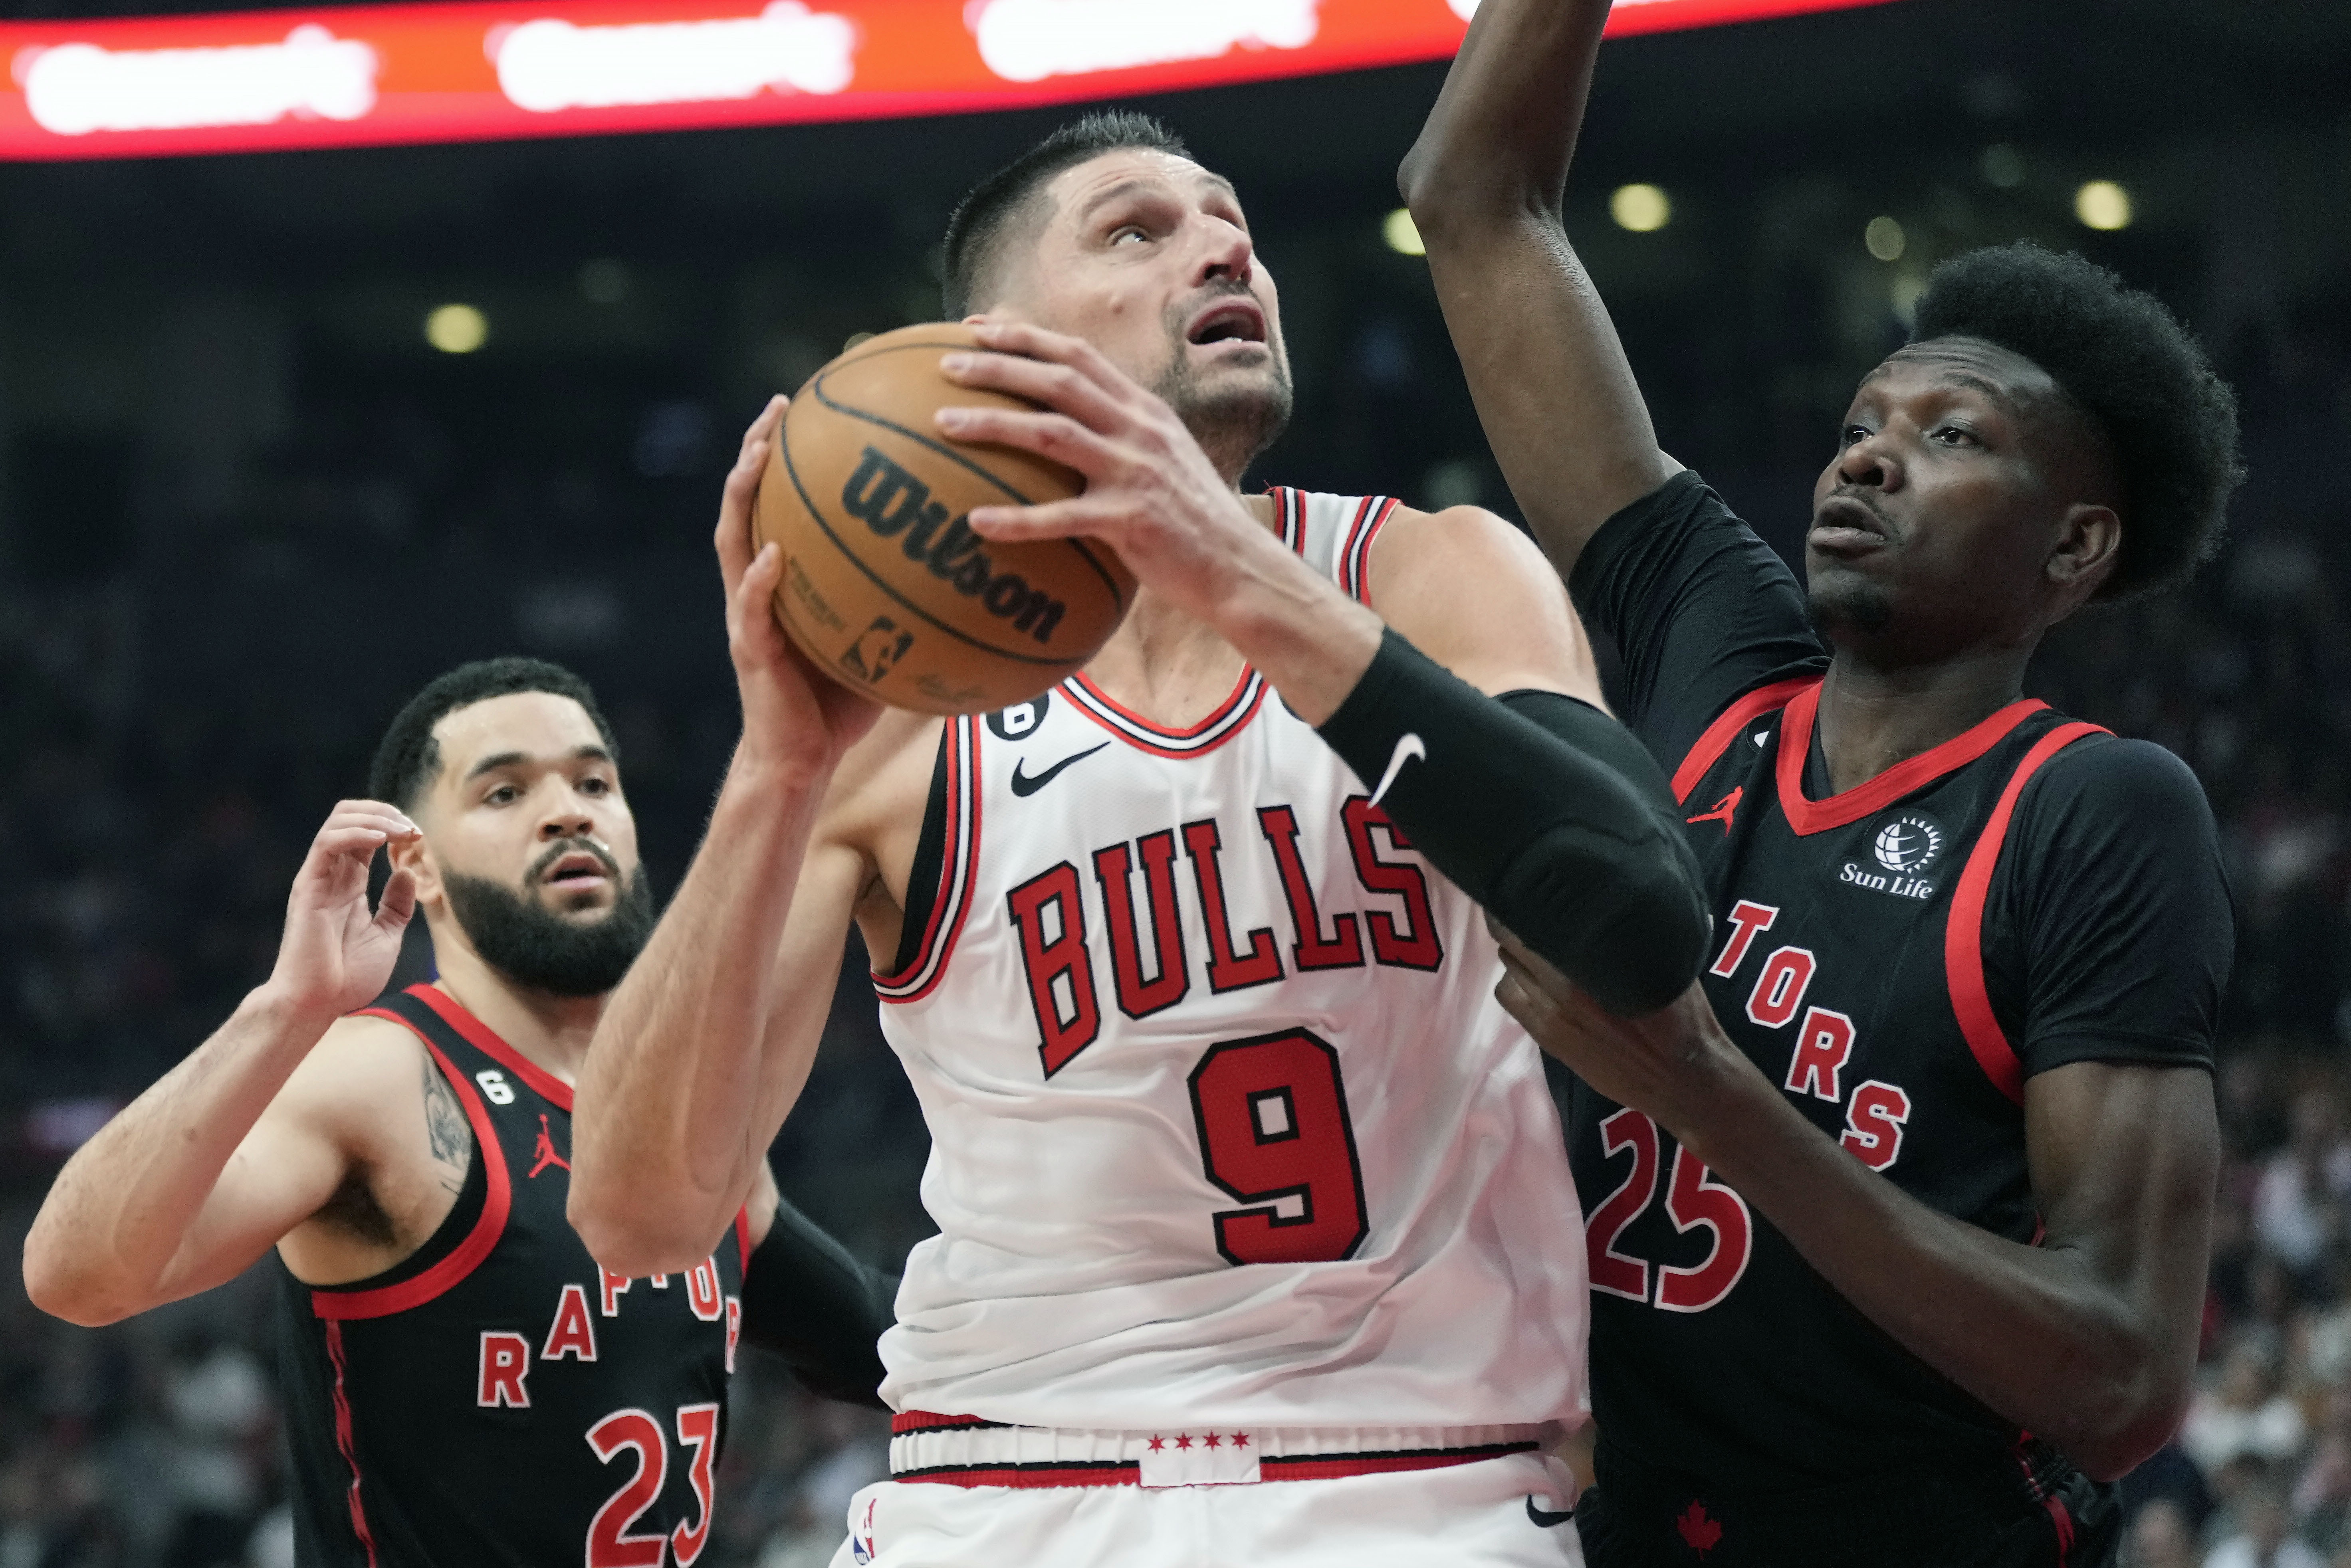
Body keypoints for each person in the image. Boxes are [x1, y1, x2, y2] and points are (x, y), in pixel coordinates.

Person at [570, 110, 1710, 1567]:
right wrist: (777, 769)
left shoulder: (1429, 575)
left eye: (1228, 219)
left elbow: (1637, 919)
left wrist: (1231, 571)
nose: (1222, 246)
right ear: (989, 347)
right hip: (998, 1479)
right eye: (1136, 228)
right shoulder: (898, 725)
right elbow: (638, 1213)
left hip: (1407, 1482)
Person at [1400, 5, 2242, 1566]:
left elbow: (2120, 1376)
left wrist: (1702, 1088)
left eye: (1948, 435)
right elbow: (1472, 200)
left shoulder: (2094, 811)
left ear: (2071, 547)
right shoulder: (1723, 645)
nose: (1864, 457)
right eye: (1861, 423)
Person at [22, 657, 896, 1567]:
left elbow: (885, 1344)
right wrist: (283, 1007)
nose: (569, 809)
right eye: (505, 791)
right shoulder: (383, 1074)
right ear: (417, 866)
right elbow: (74, 1276)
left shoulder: (676, 1117)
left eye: (595, 779)